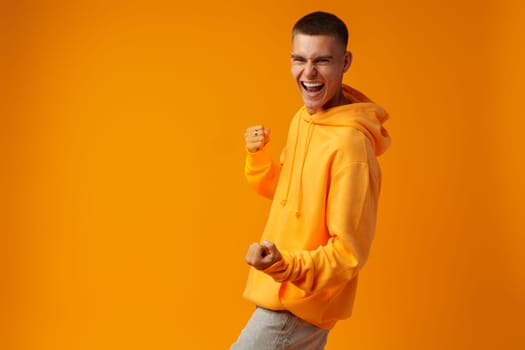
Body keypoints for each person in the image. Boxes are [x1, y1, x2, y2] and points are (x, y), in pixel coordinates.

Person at [231, 11, 391, 350]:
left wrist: (284, 266)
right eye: (300, 60)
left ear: (345, 61)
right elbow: (286, 192)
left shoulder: (352, 146)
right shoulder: (304, 119)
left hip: (297, 304)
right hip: (280, 291)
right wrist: (258, 158)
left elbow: (348, 253)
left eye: (322, 61)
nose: (309, 73)